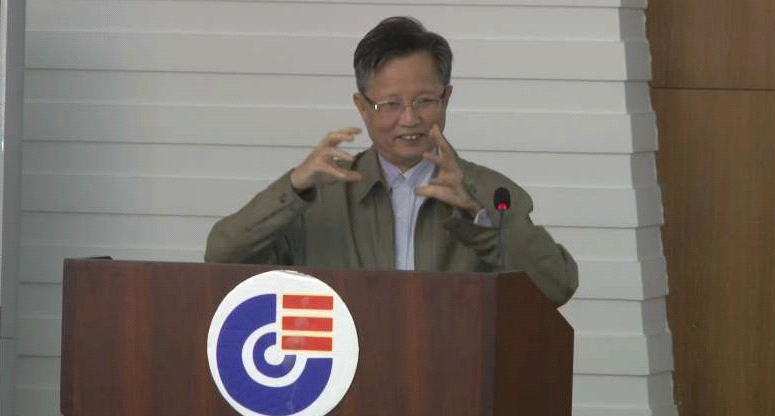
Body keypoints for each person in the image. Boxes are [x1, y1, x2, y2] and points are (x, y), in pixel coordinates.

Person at [205, 16, 578, 305]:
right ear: (361, 106)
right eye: (390, 104)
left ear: (446, 99)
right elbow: (222, 258)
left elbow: (556, 287)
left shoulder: (491, 192)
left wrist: (477, 214)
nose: (409, 119)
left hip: (455, 374)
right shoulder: (321, 194)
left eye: (424, 101)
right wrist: (294, 188)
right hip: (348, 376)